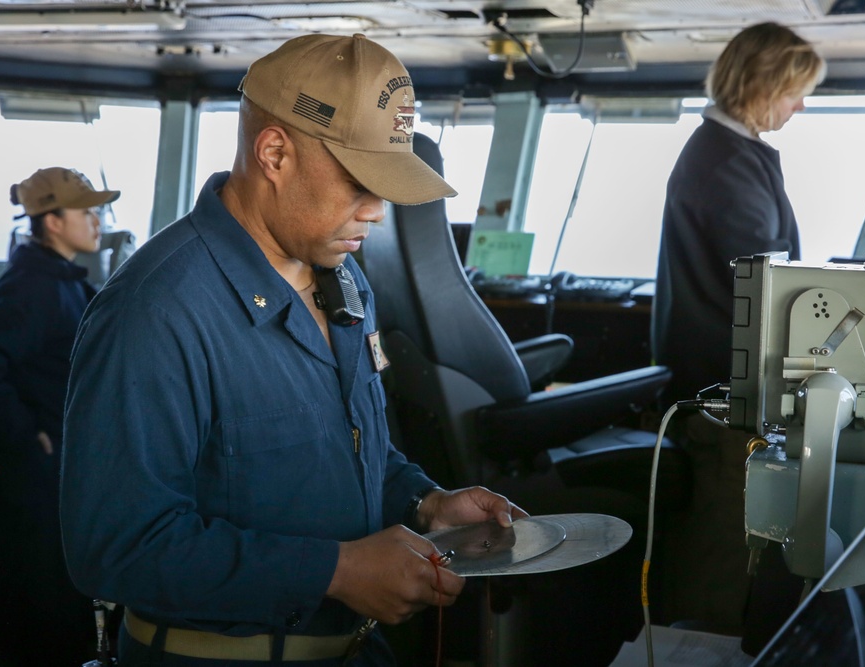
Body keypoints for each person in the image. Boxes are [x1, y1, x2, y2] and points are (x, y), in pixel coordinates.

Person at [60, 33, 526, 667]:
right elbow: (115, 549)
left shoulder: (344, 280)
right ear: (275, 152)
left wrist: (426, 503)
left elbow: (353, 448)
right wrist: (334, 571)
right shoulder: (154, 311)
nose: (378, 213)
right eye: (361, 183)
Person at [648, 21, 826, 640]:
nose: (800, 106)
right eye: (794, 92)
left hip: (725, 383)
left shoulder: (729, 153)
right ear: (762, 84)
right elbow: (770, 285)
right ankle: (703, 649)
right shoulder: (725, 165)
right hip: (724, 396)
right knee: (721, 558)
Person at [0, 167, 120, 666]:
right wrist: (25, 436)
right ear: (52, 221)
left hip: (59, 470)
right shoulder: (31, 287)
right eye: (86, 212)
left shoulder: (63, 282)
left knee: (61, 600)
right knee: (39, 602)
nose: (98, 222)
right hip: (36, 475)